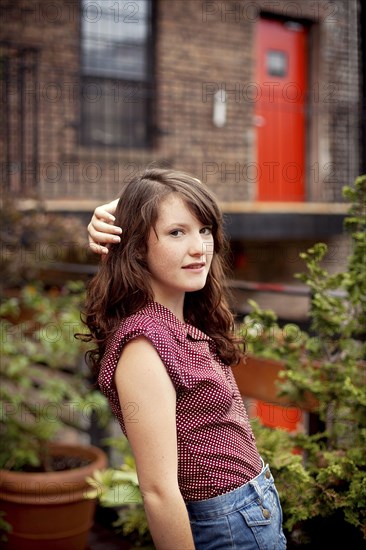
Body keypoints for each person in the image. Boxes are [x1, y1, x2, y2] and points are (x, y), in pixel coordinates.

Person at [83, 168, 287, 550]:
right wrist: (126, 212)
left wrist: (122, 208)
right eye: (177, 233)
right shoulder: (144, 344)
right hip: (226, 526)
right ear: (138, 247)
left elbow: (156, 201)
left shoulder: (181, 318)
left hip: (250, 509)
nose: (199, 248)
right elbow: (158, 491)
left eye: (204, 230)